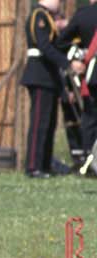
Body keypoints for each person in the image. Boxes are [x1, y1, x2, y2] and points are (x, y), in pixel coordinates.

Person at [21, 0, 85, 178]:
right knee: (39, 124)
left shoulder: (49, 18)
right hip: (39, 74)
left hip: (49, 77)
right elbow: (45, 46)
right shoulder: (39, 16)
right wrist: (67, 64)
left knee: (49, 124)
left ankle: (45, 163)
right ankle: (34, 166)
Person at [56, 0, 97, 164]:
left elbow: (61, 42)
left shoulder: (83, 15)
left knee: (91, 119)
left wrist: (76, 58)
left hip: (93, 75)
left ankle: (90, 162)